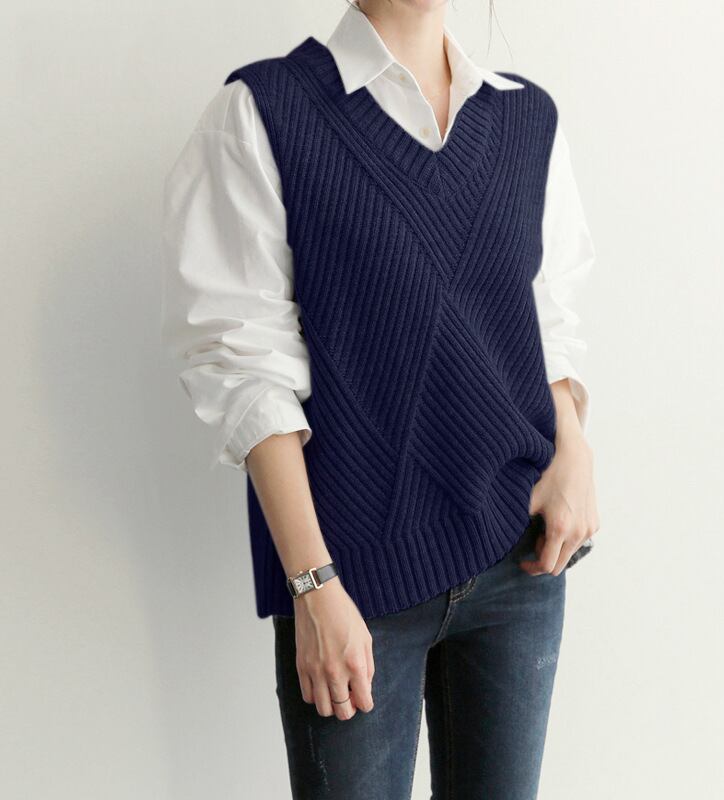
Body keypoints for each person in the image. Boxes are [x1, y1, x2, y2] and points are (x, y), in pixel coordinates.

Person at [160, 1, 600, 797]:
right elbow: (244, 366)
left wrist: (574, 452)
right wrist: (311, 586)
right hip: (348, 580)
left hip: (519, 563)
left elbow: (544, 318)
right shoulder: (262, 112)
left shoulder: (527, 118)